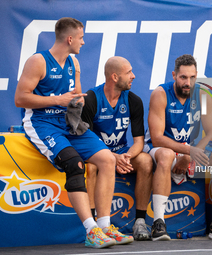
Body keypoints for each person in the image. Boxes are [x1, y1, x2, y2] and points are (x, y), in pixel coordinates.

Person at [14, 17, 119, 249]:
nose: (83, 42)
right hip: (42, 123)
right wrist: (56, 100)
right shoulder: (38, 61)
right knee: (75, 164)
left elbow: (74, 98)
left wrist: (77, 104)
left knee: (108, 159)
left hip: (68, 123)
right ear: (70, 38)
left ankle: (104, 226)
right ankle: (91, 231)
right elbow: (20, 98)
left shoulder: (74, 63)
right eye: (81, 38)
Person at [144, 54, 212, 241]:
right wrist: (188, 151)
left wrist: (191, 154)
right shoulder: (160, 94)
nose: (188, 82)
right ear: (174, 75)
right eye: (183, 77)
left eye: (192, 77)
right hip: (160, 149)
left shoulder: (202, 95)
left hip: (190, 150)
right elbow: (157, 138)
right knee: (166, 155)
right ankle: (158, 224)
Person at [81, 56, 153, 241]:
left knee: (145, 160)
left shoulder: (133, 101)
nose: (134, 76)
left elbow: (138, 141)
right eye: (128, 72)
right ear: (114, 77)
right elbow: (86, 141)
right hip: (95, 153)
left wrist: (126, 157)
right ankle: (93, 227)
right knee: (92, 166)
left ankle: (140, 221)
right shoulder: (91, 99)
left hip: (121, 153)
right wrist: (113, 157)